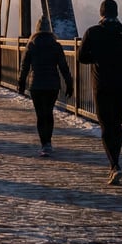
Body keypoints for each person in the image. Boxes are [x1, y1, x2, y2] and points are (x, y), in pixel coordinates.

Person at [77, 0, 122, 185]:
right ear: (116, 13)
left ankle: (114, 165)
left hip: (102, 85)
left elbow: (81, 57)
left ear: (101, 14)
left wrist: (98, 59)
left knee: (106, 125)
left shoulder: (93, 32)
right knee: (116, 124)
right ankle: (115, 164)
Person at [18, 16, 74, 157]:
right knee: (48, 113)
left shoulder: (31, 45)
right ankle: (48, 143)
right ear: (50, 30)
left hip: (36, 85)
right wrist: (69, 83)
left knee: (40, 114)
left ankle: (44, 144)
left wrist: (21, 83)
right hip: (52, 85)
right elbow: (63, 67)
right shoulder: (56, 45)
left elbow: (24, 66)